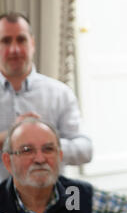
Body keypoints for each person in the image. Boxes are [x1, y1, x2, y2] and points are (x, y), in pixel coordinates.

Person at [0, 117, 127, 213]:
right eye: (27, 150)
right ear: (8, 161)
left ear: (60, 156)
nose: (40, 159)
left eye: (48, 149)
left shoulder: (75, 194)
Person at [0, 12, 92, 181]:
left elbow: (85, 150)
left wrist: (45, 145)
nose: (14, 49)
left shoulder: (60, 93)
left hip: (52, 203)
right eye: (5, 41)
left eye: (21, 40)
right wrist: (8, 138)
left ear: (32, 43)